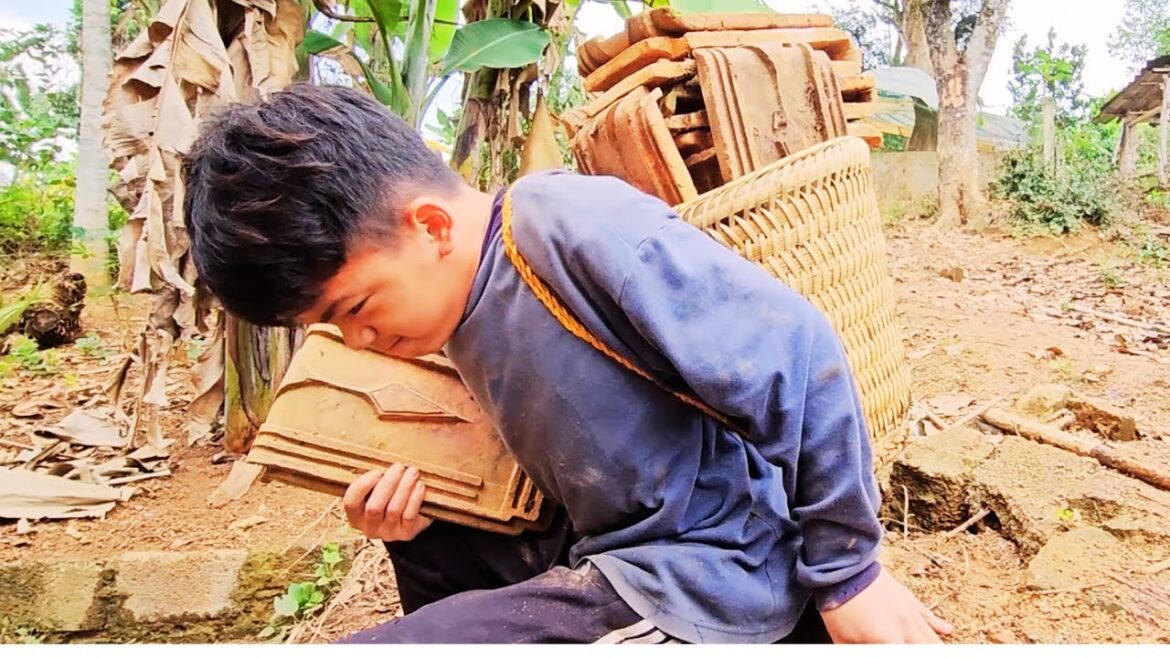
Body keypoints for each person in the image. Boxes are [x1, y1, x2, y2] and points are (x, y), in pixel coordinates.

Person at [182, 83, 952, 644]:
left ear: (428, 226)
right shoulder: (445, 310)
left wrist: (849, 576)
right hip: (606, 547)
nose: (356, 341)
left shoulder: (566, 225)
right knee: (435, 547)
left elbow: (799, 350)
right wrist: (406, 520)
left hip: (709, 575)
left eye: (351, 309)